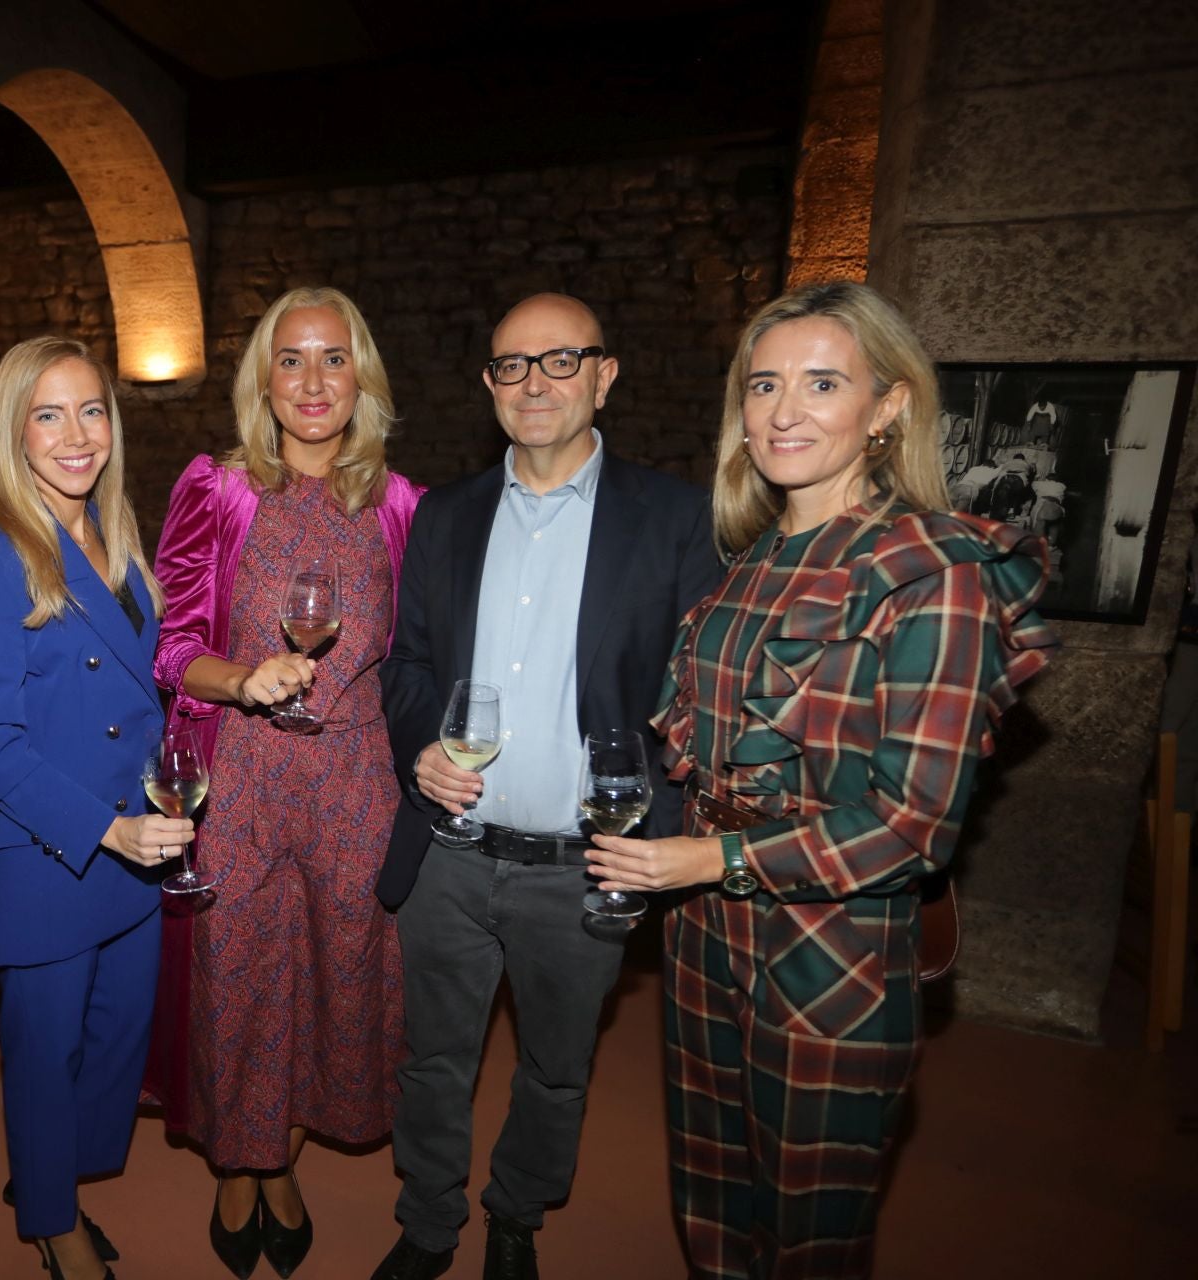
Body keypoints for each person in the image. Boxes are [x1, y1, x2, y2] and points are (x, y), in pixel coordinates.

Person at [586, 281, 1058, 1280]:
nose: (783, 411)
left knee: (811, 1230)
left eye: (822, 383)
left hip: (832, 947)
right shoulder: (753, 558)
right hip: (703, 929)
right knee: (711, 1198)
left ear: (889, 406)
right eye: (763, 385)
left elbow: (912, 826)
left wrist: (709, 857)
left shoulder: (933, 571)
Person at [375, 293, 722, 1280]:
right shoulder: (445, 514)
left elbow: (697, 694)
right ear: (490, 385)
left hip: (583, 866)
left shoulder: (675, 518)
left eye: (560, 360)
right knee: (432, 1060)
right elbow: (408, 664)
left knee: (557, 1068)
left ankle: (516, 1215)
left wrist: (657, 831)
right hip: (449, 853)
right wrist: (420, 747)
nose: (535, 383)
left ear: (604, 376)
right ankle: (427, 1223)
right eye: (512, 365)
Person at [149, 286, 424, 1279]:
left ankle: (285, 1148)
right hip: (244, 773)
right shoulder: (217, 489)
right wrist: (241, 679)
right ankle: (244, 1160)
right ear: (262, 379)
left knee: (335, 976)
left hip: (356, 780)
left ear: (363, 378)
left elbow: (417, 658)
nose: (312, 381)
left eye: (333, 358)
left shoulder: (402, 504)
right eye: (291, 359)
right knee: (238, 971)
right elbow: (172, 647)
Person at [0, 336, 185, 1280]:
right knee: (45, 1053)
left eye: (91, 410)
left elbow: (139, 695)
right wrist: (108, 828)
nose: (76, 434)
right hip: (55, 848)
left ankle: (57, 1170)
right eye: (48, 414)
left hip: (135, 844)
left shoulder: (117, 539)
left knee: (118, 1036)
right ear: (13, 432)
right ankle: (51, 1218)